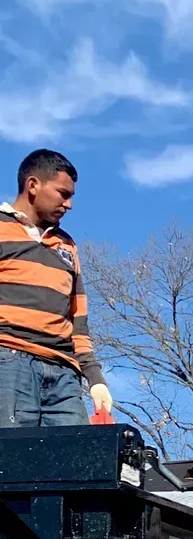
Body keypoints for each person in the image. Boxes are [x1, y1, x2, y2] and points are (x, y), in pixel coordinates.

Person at [0, 148, 112, 427]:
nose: (69, 204)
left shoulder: (67, 246)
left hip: (64, 375)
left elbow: (78, 321)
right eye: (64, 193)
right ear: (33, 185)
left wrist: (95, 379)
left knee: (75, 463)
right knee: (11, 462)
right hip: (8, 363)